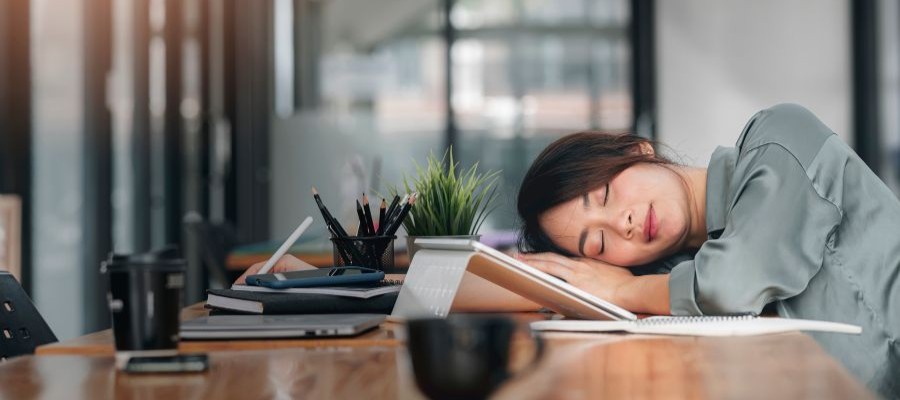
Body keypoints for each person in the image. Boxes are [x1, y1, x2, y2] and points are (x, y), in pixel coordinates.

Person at [516, 103, 899, 397]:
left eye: (604, 195)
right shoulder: (674, 278)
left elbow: (729, 283)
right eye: (599, 244)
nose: (622, 223)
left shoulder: (779, 138)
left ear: (638, 150)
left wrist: (619, 290)